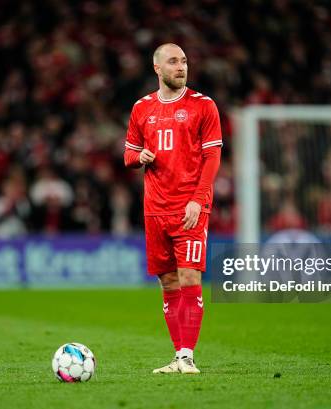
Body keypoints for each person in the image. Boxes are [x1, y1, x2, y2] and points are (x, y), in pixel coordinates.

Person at [123, 43, 222, 374]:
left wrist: (199, 198)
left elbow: (212, 157)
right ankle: (177, 356)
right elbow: (128, 156)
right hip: (154, 210)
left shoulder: (203, 106)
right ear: (157, 68)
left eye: (184, 61)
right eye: (173, 61)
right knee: (168, 284)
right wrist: (140, 158)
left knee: (190, 275)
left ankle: (187, 356)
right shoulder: (142, 109)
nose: (181, 67)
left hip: (190, 207)